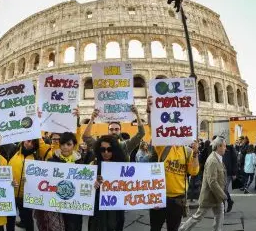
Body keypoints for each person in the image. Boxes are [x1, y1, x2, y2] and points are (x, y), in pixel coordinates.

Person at [83, 105, 145, 230]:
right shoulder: (100, 144)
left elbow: (141, 133)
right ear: (108, 131)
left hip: (119, 191)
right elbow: (85, 137)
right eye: (111, 129)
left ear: (120, 131)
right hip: (101, 191)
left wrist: (137, 115)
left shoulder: (125, 145)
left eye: (117, 129)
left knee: (116, 222)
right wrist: (92, 119)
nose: (114, 131)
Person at [146, 96, 200, 231]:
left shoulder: (187, 151)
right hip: (159, 196)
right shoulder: (163, 146)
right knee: (155, 228)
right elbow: (153, 129)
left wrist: (195, 153)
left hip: (178, 199)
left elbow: (193, 172)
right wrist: (150, 111)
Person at [179, 137, 227, 231]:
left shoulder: (217, 158)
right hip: (209, 197)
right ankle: (182, 230)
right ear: (219, 146)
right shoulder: (213, 160)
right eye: (224, 146)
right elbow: (212, 182)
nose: (226, 148)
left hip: (217, 197)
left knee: (219, 217)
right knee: (197, 217)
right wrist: (223, 195)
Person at [89, 135, 127, 231]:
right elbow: (86, 185)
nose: (106, 153)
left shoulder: (122, 165)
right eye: (103, 149)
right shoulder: (93, 164)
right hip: (98, 210)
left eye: (109, 149)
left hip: (116, 210)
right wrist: (93, 183)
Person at [47, 132, 83, 231]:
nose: (65, 147)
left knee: (73, 227)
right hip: (56, 204)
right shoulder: (51, 161)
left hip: (75, 204)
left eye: (68, 144)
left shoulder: (81, 162)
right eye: (62, 144)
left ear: (74, 145)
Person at [7, 139, 39, 231]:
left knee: (28, 219)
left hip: (26, 196)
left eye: (32, 143)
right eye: (28, 141)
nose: (29, 144)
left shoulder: (35, 157)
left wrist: (32, 180)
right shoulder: (13, 151)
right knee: (10, 220)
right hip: (11, 193)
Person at [223, 140, 237, 212]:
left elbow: (235, 161)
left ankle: (222, 209)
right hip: (220, 172)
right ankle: (229, 201)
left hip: (228, 173)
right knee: (222, 190)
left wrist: (234, 173)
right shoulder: (217, 149)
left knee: (224, 190)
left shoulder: (230, 149)